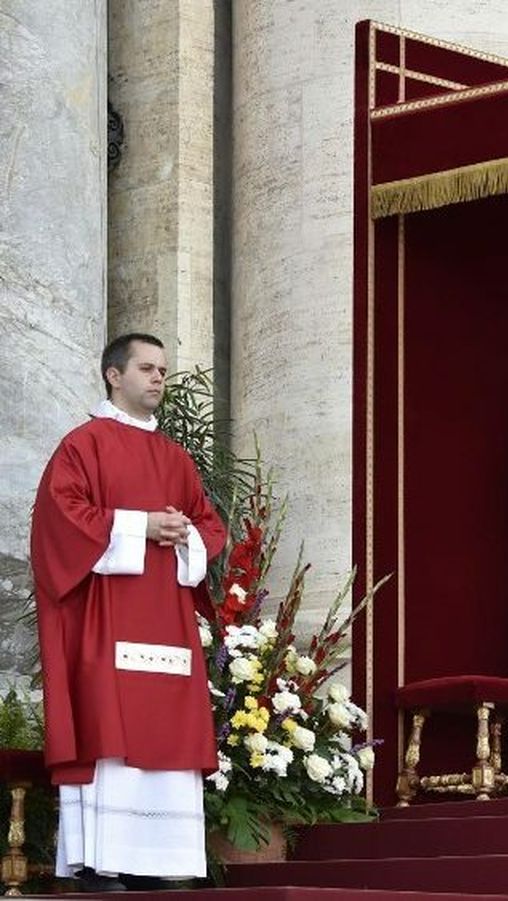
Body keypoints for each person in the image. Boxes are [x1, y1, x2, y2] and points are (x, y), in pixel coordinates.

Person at [31, 333, 226, 891]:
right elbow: (59, 520)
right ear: (114, 375)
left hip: (165, 617)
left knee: (166, 730)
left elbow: (209, 525)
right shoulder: (83, 445)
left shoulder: (175, 458)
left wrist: (184, 531)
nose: (159, 378)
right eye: (147, 368)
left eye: (163, 369)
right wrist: (143, 525)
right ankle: (103, 863)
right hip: (106, 617)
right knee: (109, 727)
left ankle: (164, 862)